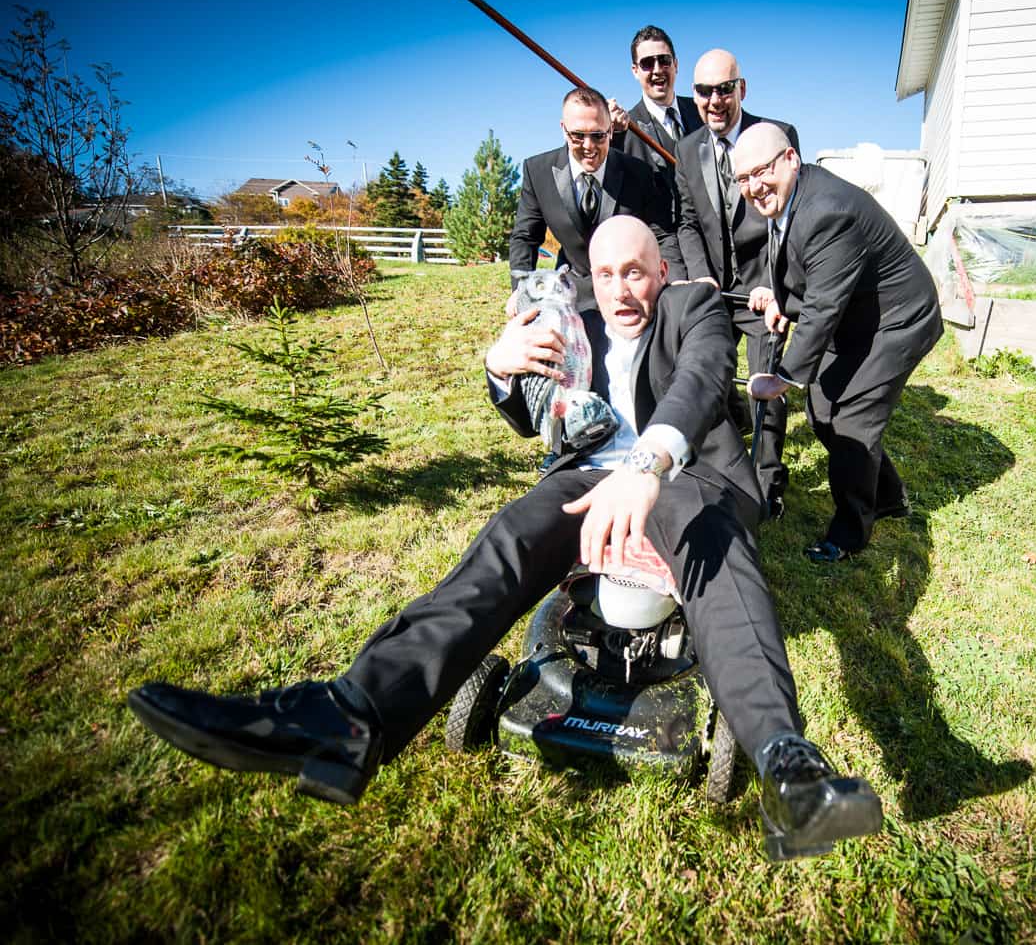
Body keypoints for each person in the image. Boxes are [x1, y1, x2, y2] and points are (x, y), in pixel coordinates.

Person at [127, 216, 883, 861]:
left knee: (715, 557)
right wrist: (498, 366)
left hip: (682, 477)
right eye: (606, 274)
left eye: (637, 273)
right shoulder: (571, 317)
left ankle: (789, 769)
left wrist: (649, 462)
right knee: (508, 543)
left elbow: (702, 379)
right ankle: (348, 714)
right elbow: (528, 412)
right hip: (586, 475)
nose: (622, 291)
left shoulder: (695, 309)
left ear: (662, 269)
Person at [732, 124, 943, 564]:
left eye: (761, 171)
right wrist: (781, 301)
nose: (753, 187)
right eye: (742, 179)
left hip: (896, 319)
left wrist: (783, 378)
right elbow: (805, 272)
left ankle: (850, 533)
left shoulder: (828, 210)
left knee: (852, 421)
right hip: (856, 315)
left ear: (790, 158)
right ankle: (888, 497)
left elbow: (824, 305)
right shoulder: (787, 200)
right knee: (823, 410)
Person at [672, 49, 800, 519]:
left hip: (763, 288)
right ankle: (722, 472)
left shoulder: (777, 135)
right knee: (710, 378)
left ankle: (767, 483)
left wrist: (775, 283)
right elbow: (687, 222)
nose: (714, 100)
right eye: (704, 91)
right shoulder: (687, 150)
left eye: (724, 89)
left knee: (766, 383)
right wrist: (698, 275)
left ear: (741, 89)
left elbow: (788, 217)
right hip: (712, 291)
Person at [509, 87, 683, 307]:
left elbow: (662, 235)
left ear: (610, 130)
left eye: (598, 135)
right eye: (578, 136)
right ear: (564, 129)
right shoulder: (537, 171)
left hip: (629, 293)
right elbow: (525, 238)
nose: (589, 146)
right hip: (571, 295)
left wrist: (675, 283)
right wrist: (521, 289)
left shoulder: (639, 173)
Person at [610, 25, 702, 223]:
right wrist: (608, 133)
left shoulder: (703, 112)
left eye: (664, 60)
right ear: (635, 70)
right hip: (664, 245)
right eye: (647, 63)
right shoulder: (624, 131)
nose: (657, 70)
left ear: (676, 64)